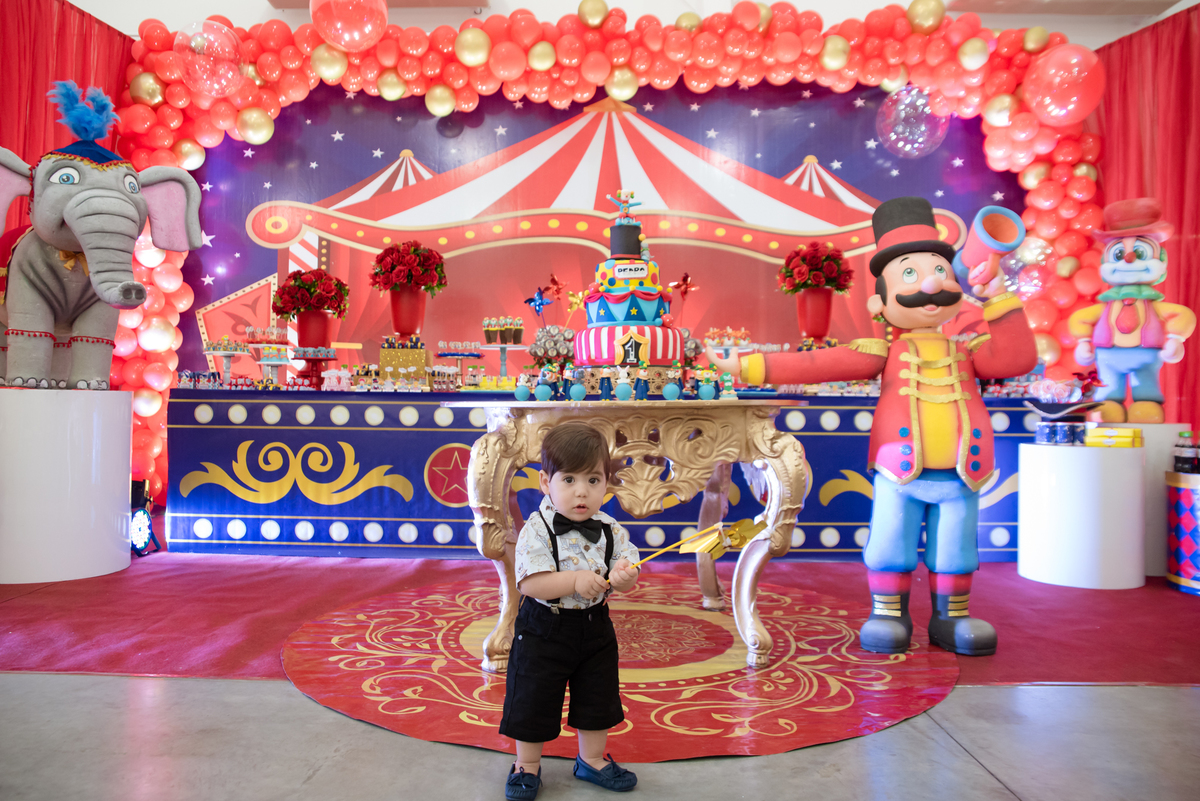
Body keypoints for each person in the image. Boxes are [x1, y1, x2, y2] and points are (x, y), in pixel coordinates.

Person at [709, 197, 1036, 657]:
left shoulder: (968, 350)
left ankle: (952, 617)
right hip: (899, 474)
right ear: (879, 302)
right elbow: (818, 364)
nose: (930, 283)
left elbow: (1018, 358)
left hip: (962, 474)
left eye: (940, 271)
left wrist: (999, 296)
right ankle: (888, 612)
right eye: (911, 273)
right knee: (890, 543)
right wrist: (746, 366)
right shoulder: (883, 351)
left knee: (956, 549)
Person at [500, 422, 641, 800]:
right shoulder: (537, 529)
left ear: (607, 483)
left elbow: (628, 568)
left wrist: (625, 576)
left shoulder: (611, 529)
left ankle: (591, 759)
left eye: (593, 480)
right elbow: (530, 584)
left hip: (595, 628)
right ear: (546, 482)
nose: (582, 491)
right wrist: (575, 580)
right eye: (569, 480)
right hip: (544, 628)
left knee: (598, 696)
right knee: (533, 696)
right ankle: (527, 764)